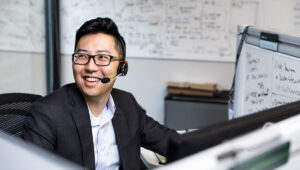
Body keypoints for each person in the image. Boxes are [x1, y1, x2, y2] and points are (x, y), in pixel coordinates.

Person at [22, 17, 178, 170]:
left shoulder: (126, 102)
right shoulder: (47, 113)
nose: (90, 67)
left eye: (103, 57)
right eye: (82, 56)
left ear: (122, 67)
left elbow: (171, 142)